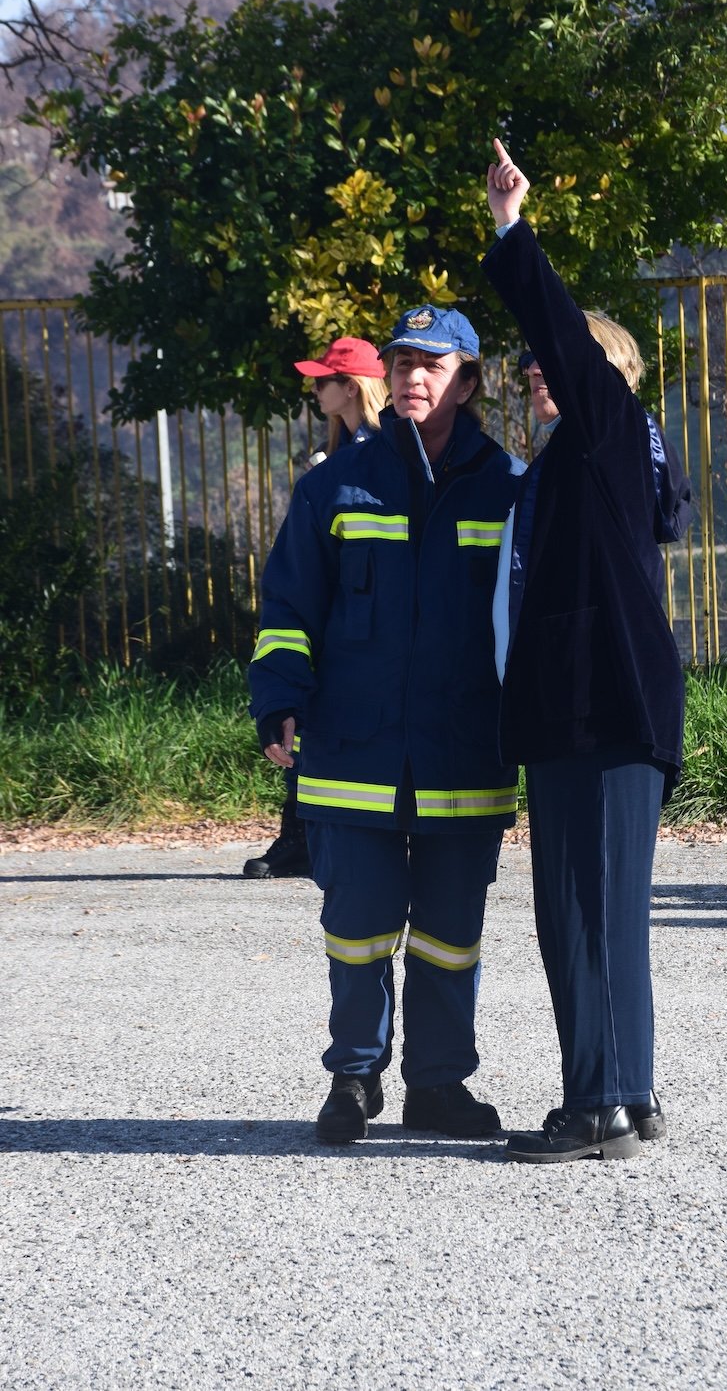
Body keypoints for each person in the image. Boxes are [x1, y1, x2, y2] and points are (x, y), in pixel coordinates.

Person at [247, 304, 522, 1144]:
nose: (411, 376)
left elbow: (532, 619)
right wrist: (279, 696)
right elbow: (289, 602)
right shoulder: (336, 483)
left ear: (467, 381)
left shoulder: (508, 486)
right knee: (357, 927)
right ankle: (353, 1079)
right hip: (352, 746)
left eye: (432, 364)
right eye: (402, 361)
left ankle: (438, 1087)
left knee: (448, 936)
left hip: (465, 750)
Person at [483, 138, 693, 1164]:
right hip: (589, 710)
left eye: (546, 364)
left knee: (580, 910)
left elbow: (563, 338)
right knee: (607, 910)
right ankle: (633, 1089)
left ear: (598, 371)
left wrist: (512, 230)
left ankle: (597, 1103)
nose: (531, 374)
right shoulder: (573, 460)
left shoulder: (608, 423)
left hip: (599, 710)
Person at [243, 337, 386, 880]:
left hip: (360, 622)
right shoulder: (338, 447)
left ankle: (309, 834)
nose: (315, 388)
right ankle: (299, 834)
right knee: (304, 720)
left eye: (322, 380)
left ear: (350, 386)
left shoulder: (380, 449)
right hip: (325, 614)